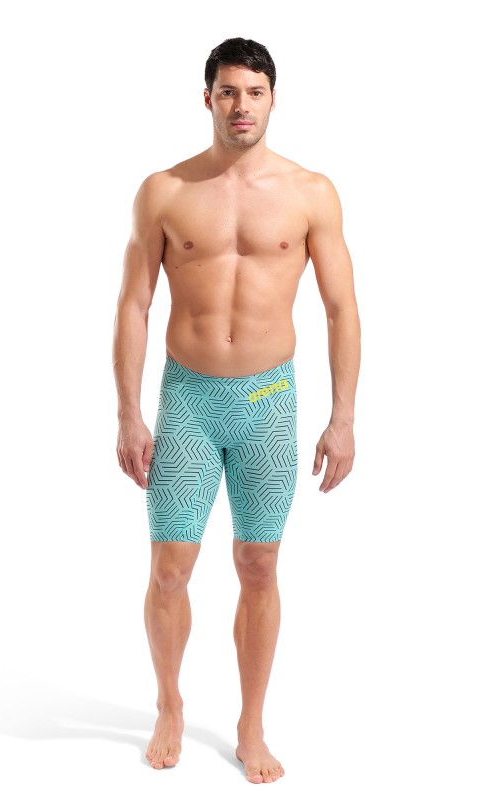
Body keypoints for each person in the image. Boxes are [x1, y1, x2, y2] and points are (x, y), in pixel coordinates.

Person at [112, 37, 360, 784]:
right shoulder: (165, 191)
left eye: (254, 92)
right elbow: (133, 305)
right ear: (208, 99)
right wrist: (129, 413)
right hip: (188, 399)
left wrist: (343, 417)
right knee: (169, 570)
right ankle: (169, 705)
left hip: (267, 402)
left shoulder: (311, 193)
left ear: (272, 99)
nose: (241, 106)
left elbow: (342, 309)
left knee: (259, 564)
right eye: (228, 92)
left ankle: (251, 722)